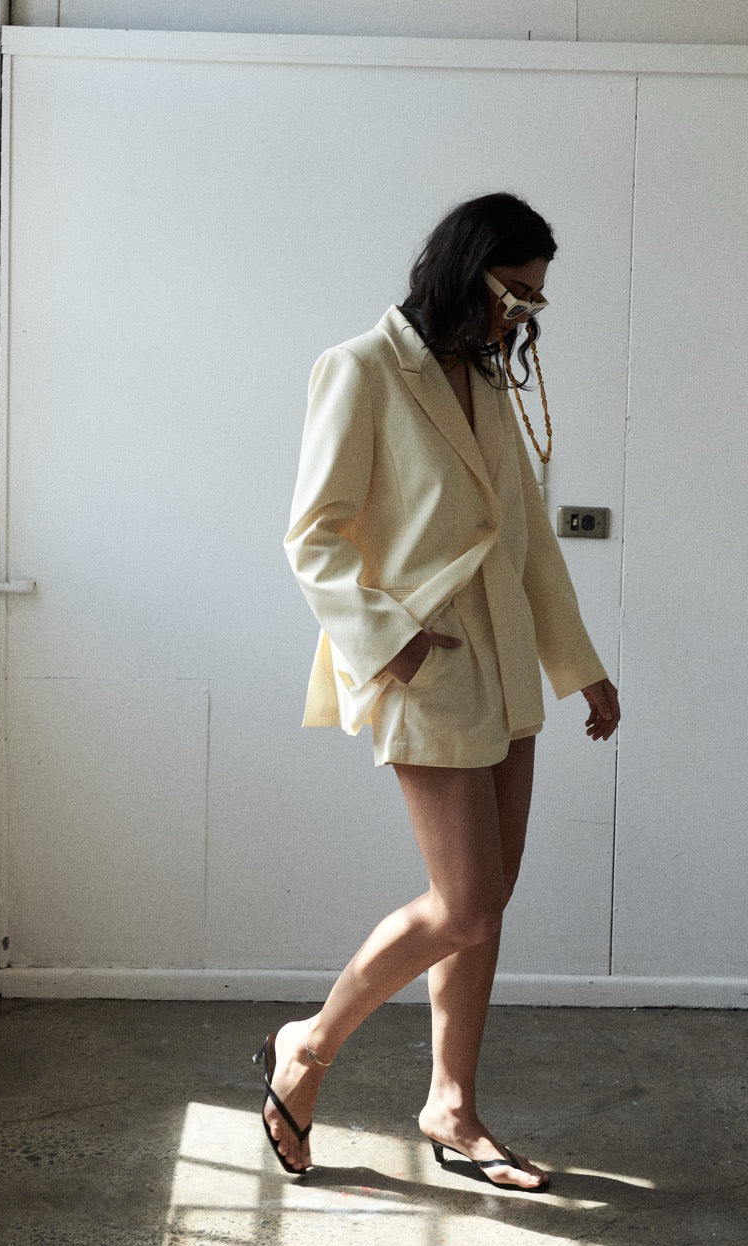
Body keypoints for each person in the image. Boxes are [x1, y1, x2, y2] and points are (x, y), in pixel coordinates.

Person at [260, 192, 621, 1192]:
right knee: (462, 901)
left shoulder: (485, 378)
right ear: (468, 270)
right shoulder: (360, 368)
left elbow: (526, 540)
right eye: (516, 292)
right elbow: (313, 534)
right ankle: (308, 1045)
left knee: (488, 900)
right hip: (423, 658)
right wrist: (395, 639)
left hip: (505, 658)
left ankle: (451, 1106)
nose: (523, 316)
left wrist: (578, 661)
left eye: (535, 300)